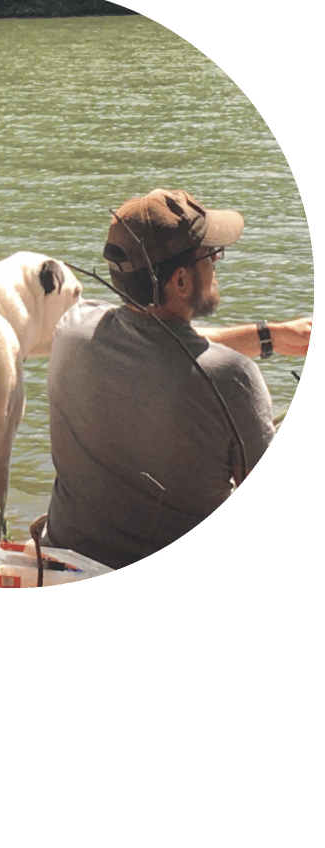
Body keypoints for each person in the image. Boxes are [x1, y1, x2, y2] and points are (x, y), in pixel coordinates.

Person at [43, 188, 312, 569]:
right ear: (181, 281)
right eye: (212, 255)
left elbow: (160, 344)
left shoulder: (73, 327)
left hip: (66, 561)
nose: (216, 265)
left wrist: (272, 336)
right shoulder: (233, 378)